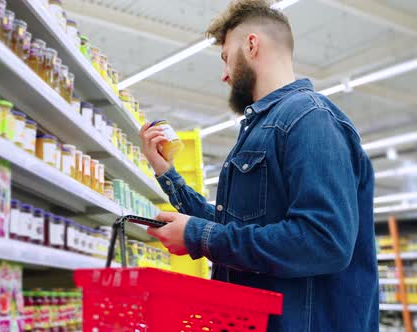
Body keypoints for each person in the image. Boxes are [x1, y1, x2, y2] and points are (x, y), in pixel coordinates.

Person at [139, 0, 378, 331]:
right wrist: (168, 176)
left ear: (251, 45)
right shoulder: (264, 129)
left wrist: (198, 237)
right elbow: (233, 227)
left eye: (225, 58)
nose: (223, 75)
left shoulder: (310, 119)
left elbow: (324, 241)